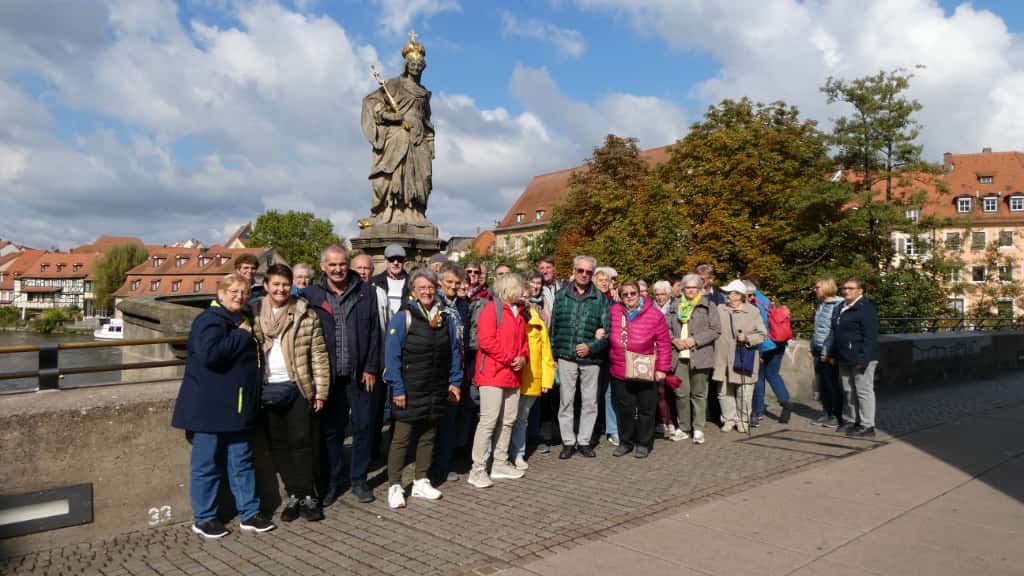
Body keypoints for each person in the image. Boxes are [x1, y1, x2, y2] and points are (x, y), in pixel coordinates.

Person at [172, 273, 276, 538]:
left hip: (237, 406)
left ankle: (249, 513)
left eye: (244, 292)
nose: (240, 296)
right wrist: (241, 336)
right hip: (209, 408)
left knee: (241, 462)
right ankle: (204, 518)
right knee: (206, 465)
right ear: (220, 294)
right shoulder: (210, 320)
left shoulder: (240, 318)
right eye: (234, 291)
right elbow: (211, 355)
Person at [303, 245, 381, 506]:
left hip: (360, 374)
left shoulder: (366, 292)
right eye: (332, 265)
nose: (338, 269)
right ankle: (331, 482)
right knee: (331, 432)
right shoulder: (311, 295)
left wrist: (371, 367)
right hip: (329, 377)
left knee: (364, 427)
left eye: (342, 264)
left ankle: (359, 480)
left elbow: (375, 332)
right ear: (323, 266)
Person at [252, 264, 330, 522]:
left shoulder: (305, 313)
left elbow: (318, 354)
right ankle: (293, 494)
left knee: (302, 442)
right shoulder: (253, 313)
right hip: (267, 388)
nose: (281, 289)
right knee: (279, 445)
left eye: (285, 284)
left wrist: (321, 392)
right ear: (266, 286)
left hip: (298, 386)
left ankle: (308, 495)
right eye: (275, 284)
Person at [383, 269, 463, 508]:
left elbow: (454, 352)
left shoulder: (444, 318)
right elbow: (392, 357)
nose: (427, 292)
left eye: (430, 287)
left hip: (436, 387)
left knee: (428, 436)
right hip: (410, 387)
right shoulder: (403, 318)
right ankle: (395, 485)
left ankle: (420, 480)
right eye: (422, 288)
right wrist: (398, 388)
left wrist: (455, 381)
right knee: (402, 438)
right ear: (413, 292)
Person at [360, 31, 434, 225]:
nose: (416, 67)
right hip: (398, 135)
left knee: (425, 176)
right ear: (406, 65)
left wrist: (430, 141)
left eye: (419, 65)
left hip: (419, 138)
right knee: (395, 174)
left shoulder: (424, 93)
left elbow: (427, 119)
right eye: (413, 64)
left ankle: (416, 212)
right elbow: (373, 103)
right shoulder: (394, 84)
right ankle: (392, 212)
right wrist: (394, 117)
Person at [468, 273, 530, 488]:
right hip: (493, 374)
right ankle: (477, 469)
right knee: (489, 421)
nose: (523, 292)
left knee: (508, 420)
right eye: (519, 288)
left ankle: (500, 463)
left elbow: (524, 343)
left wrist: (523, 358)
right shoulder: (491, 310)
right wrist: (511, 358)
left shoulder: (519, 313)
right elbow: (486, 341)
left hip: (512, 374)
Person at [549, 255, 610, 459]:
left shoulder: (600, 298)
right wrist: (554, 355)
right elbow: (554, 327)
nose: (584, 274)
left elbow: (607, 332)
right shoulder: (561, 295)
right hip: (566, 356)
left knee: (590, 402)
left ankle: (584, 441)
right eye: (580, 270)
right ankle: (568, 442)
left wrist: (591, 347)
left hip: (591, 360)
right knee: (566, 401)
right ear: (574, 271)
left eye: (588, 272)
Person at [607, 280, 672, 458]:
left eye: (633, 293)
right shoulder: (613, 311)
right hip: (620, 368)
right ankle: (626, 442)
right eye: (625, 294)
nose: (629, 297)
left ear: (640, 294)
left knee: (646, 409)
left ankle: (643, 443)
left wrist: (662, 369)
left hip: (645, 368)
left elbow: (664, 343)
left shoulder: (654, 314)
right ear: (620, 296)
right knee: (625, 409)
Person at [508, 276, 555, 470]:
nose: (524, 299)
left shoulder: (536, 318)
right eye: (522, 295)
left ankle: (518, 453)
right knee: (505, 418)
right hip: (510, 376)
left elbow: (546, 351)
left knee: (522, 418)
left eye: (527, 296)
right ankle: (498, 455)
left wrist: (547, 379)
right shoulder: (508, 315)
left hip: (531, 377)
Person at [669, 274, 721, 445]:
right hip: (679, 355)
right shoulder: (675, 305)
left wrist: (695, 340)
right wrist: (673, 340)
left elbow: (715, 329)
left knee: (699, 393)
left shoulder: (708, 305)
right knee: (681, 393)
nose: (690, 290)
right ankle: (684, 428)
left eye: (694, 287)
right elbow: (664, 327)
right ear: (683, 289)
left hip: (700, 354)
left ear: (699, 289)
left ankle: (698, 428)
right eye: (687, 287)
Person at [825, 277, 880, 438]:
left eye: (850, 288)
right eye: (844, 288)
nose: (846, 291)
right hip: (844, 356)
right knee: (848, 390)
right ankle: (852, 420)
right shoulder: (841, 307)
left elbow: (870, 336)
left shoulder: (865, 308)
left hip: (860, 356)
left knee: (863, 391)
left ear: (860, 291)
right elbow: (836, 333)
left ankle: (867, 425)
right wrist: (833, 353)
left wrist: (863, 358)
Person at [431, 262, 470, 483]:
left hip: (458, 369)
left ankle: (444, 465)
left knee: (449, 422)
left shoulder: (461, 305)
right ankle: (432, 467)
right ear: (440, 281)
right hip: (438, 370)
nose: (454, 287)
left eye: (457, 283)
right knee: (435, 423)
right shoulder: (434, 304)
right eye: (449, 282)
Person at [713, 279, 766, 433]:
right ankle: (728, 419)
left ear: (739, 295)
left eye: (729, 293)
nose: (727, 296)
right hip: (722, 357)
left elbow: (762, 334)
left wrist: (747, 338)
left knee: (745, 392)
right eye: (727, 293)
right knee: (724, 391)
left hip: (743, 357)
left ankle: (743, 420)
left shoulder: (753, 311)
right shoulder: (720, 309)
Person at [747, 280, 793, 427]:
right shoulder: (765, 300)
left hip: (765, 345)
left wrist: (759, 351)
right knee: (773, 374)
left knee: (758, 378)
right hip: (779, 342)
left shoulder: (752, 302)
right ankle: (785, 401)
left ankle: (758, 410)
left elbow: (760, 329)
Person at [811, 277, 843, 428]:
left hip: (829, 351)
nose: (815, 290)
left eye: (817, 287)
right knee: (822, 384)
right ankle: (826, 412)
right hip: (818, 349)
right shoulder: (821, 304)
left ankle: (836, 416)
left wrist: (826, 352)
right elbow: (818, 328)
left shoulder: (838, 305)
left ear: (826, 287)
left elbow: (833, 331)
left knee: (832, 383)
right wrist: (813, 346)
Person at [373, 244, 410, 317]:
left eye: (399, 259)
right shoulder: (375, 282)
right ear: (386, 261)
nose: (396, 263)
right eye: (392, 259)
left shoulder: (412, 282)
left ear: (404, 261)